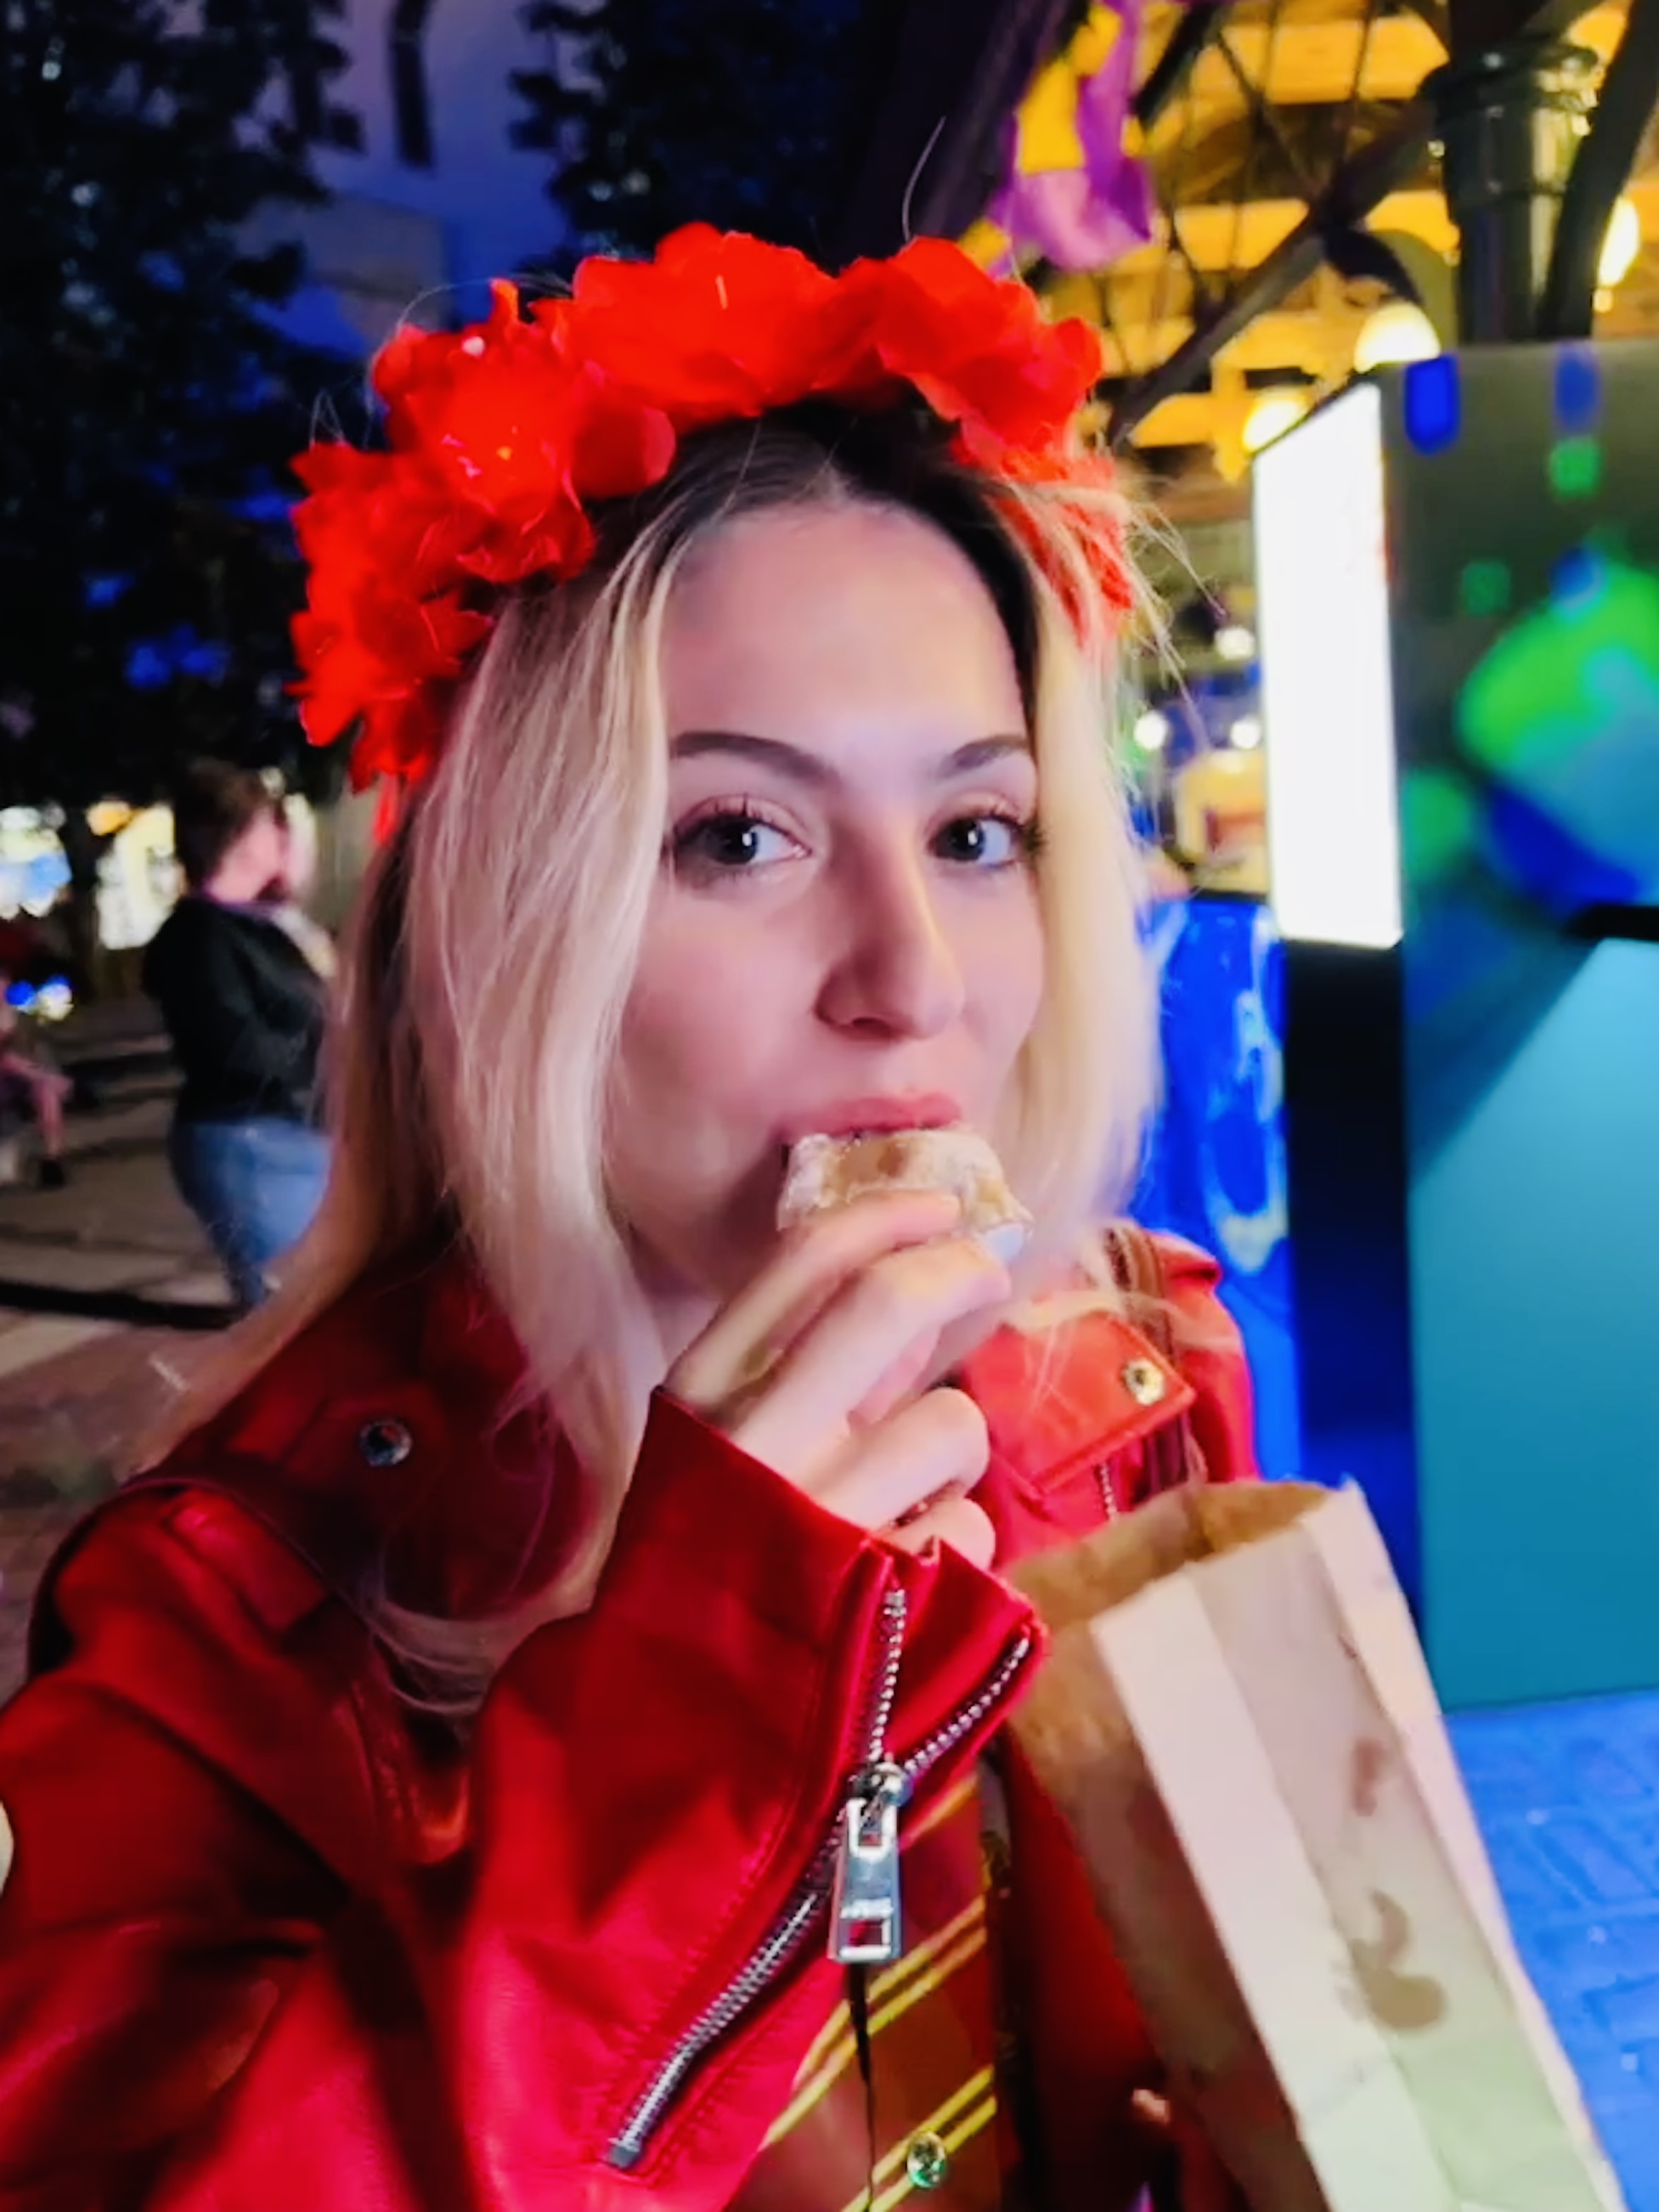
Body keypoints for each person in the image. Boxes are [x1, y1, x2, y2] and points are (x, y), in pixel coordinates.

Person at [0, 231, 1256, 2211]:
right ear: (508, 926)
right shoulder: (233, 1616)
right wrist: (693, 1730)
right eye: (737, 835)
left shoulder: (1131, 1377)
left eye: (975, 829)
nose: (914, 977)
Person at [142, 761, 331, 1306]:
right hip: (252, 1145)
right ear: (239, 838)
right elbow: (236, 1047)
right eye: (271, 825)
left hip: (294, 1133)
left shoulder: (257, 926)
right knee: (295, 1313)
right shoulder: (198, 938)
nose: (283, 839)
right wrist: (330, 1053)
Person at [0, 977, 72, 1188]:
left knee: (46, 1090)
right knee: (44, 1083)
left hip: (16, 1078)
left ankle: (53, 1158)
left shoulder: (17, 1014)